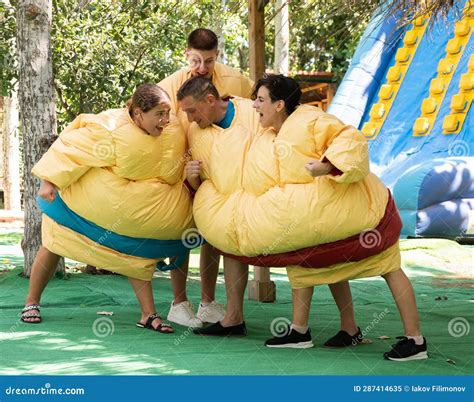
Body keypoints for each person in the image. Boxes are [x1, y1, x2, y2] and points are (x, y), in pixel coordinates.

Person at [181, 75, 428, 361]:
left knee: (389, 267)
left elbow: (349, 138)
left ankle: (415, 340)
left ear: (279, 104)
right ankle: (329, 330)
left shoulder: (308, 119)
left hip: (359, 210)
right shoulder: (268, 133)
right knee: (318, 264)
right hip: (318, 217)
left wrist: (329, 166)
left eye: (260, 100)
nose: (254, 106)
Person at [178, 76, 362, 346]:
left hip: (281, 196)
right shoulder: (197, 134)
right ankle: (234, 318)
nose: (191, 119)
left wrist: (325, 166)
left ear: (210, 100)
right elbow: (202, 178)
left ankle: (340, 327)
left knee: (321, 254)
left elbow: (294, 132)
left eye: (192, 111)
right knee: (232, 244)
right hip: (236, 204)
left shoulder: (250, 111)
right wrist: (191, 177)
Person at [20, 84, 194, 334]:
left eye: (168, 112)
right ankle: (31, 303)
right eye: (159, 113)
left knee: (135, 256)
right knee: (54, 244)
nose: (166, 120)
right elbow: (71, 148)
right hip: (79, 210)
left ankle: (148, 314)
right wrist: (49, 180)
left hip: (131, 223)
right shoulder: (111, 128)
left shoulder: (173, 129)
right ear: (137, 114)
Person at [158, 28, 254, 328]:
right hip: (182, 165)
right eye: (197, 60)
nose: (202, 68)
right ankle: (178, 302)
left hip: (219, 168)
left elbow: (252, 114)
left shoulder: (237, 80)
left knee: (215, 233)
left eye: (209, 61)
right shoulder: (169, 86)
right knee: (182, 233)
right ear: (187, 55)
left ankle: (209, 302)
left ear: (218, 56)